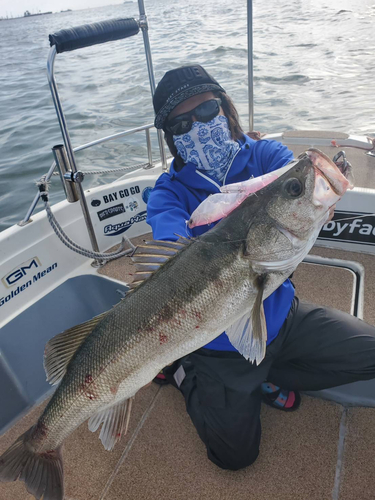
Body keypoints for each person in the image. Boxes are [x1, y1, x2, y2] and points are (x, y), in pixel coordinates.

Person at [146, 64, 375, 471]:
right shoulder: (168, 193)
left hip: (281, 316)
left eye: (206, 111)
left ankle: (266, 373)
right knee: (234, 457)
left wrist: (312, 198)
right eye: (182, 123)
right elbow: (172, 251)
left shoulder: (263, 156)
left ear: (226, 109)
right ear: (171, 139)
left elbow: (295, 184)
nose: (198, 127)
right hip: (218, 345)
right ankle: (184, 369)